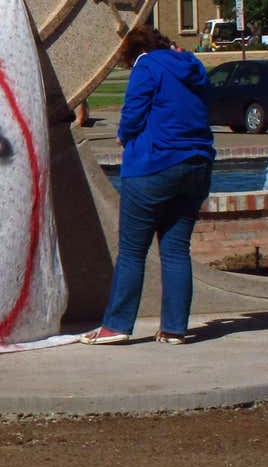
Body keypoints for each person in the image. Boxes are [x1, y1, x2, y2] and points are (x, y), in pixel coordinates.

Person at [82, 27, 214, 346]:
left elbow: (134, 110)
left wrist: (124, 135)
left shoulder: (146, 65)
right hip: (197, 164)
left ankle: (117, 325)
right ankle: (173, 329)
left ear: (133, 52)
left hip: (154, 165)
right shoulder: (192, 65)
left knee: (131, 251)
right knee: (176, 249)